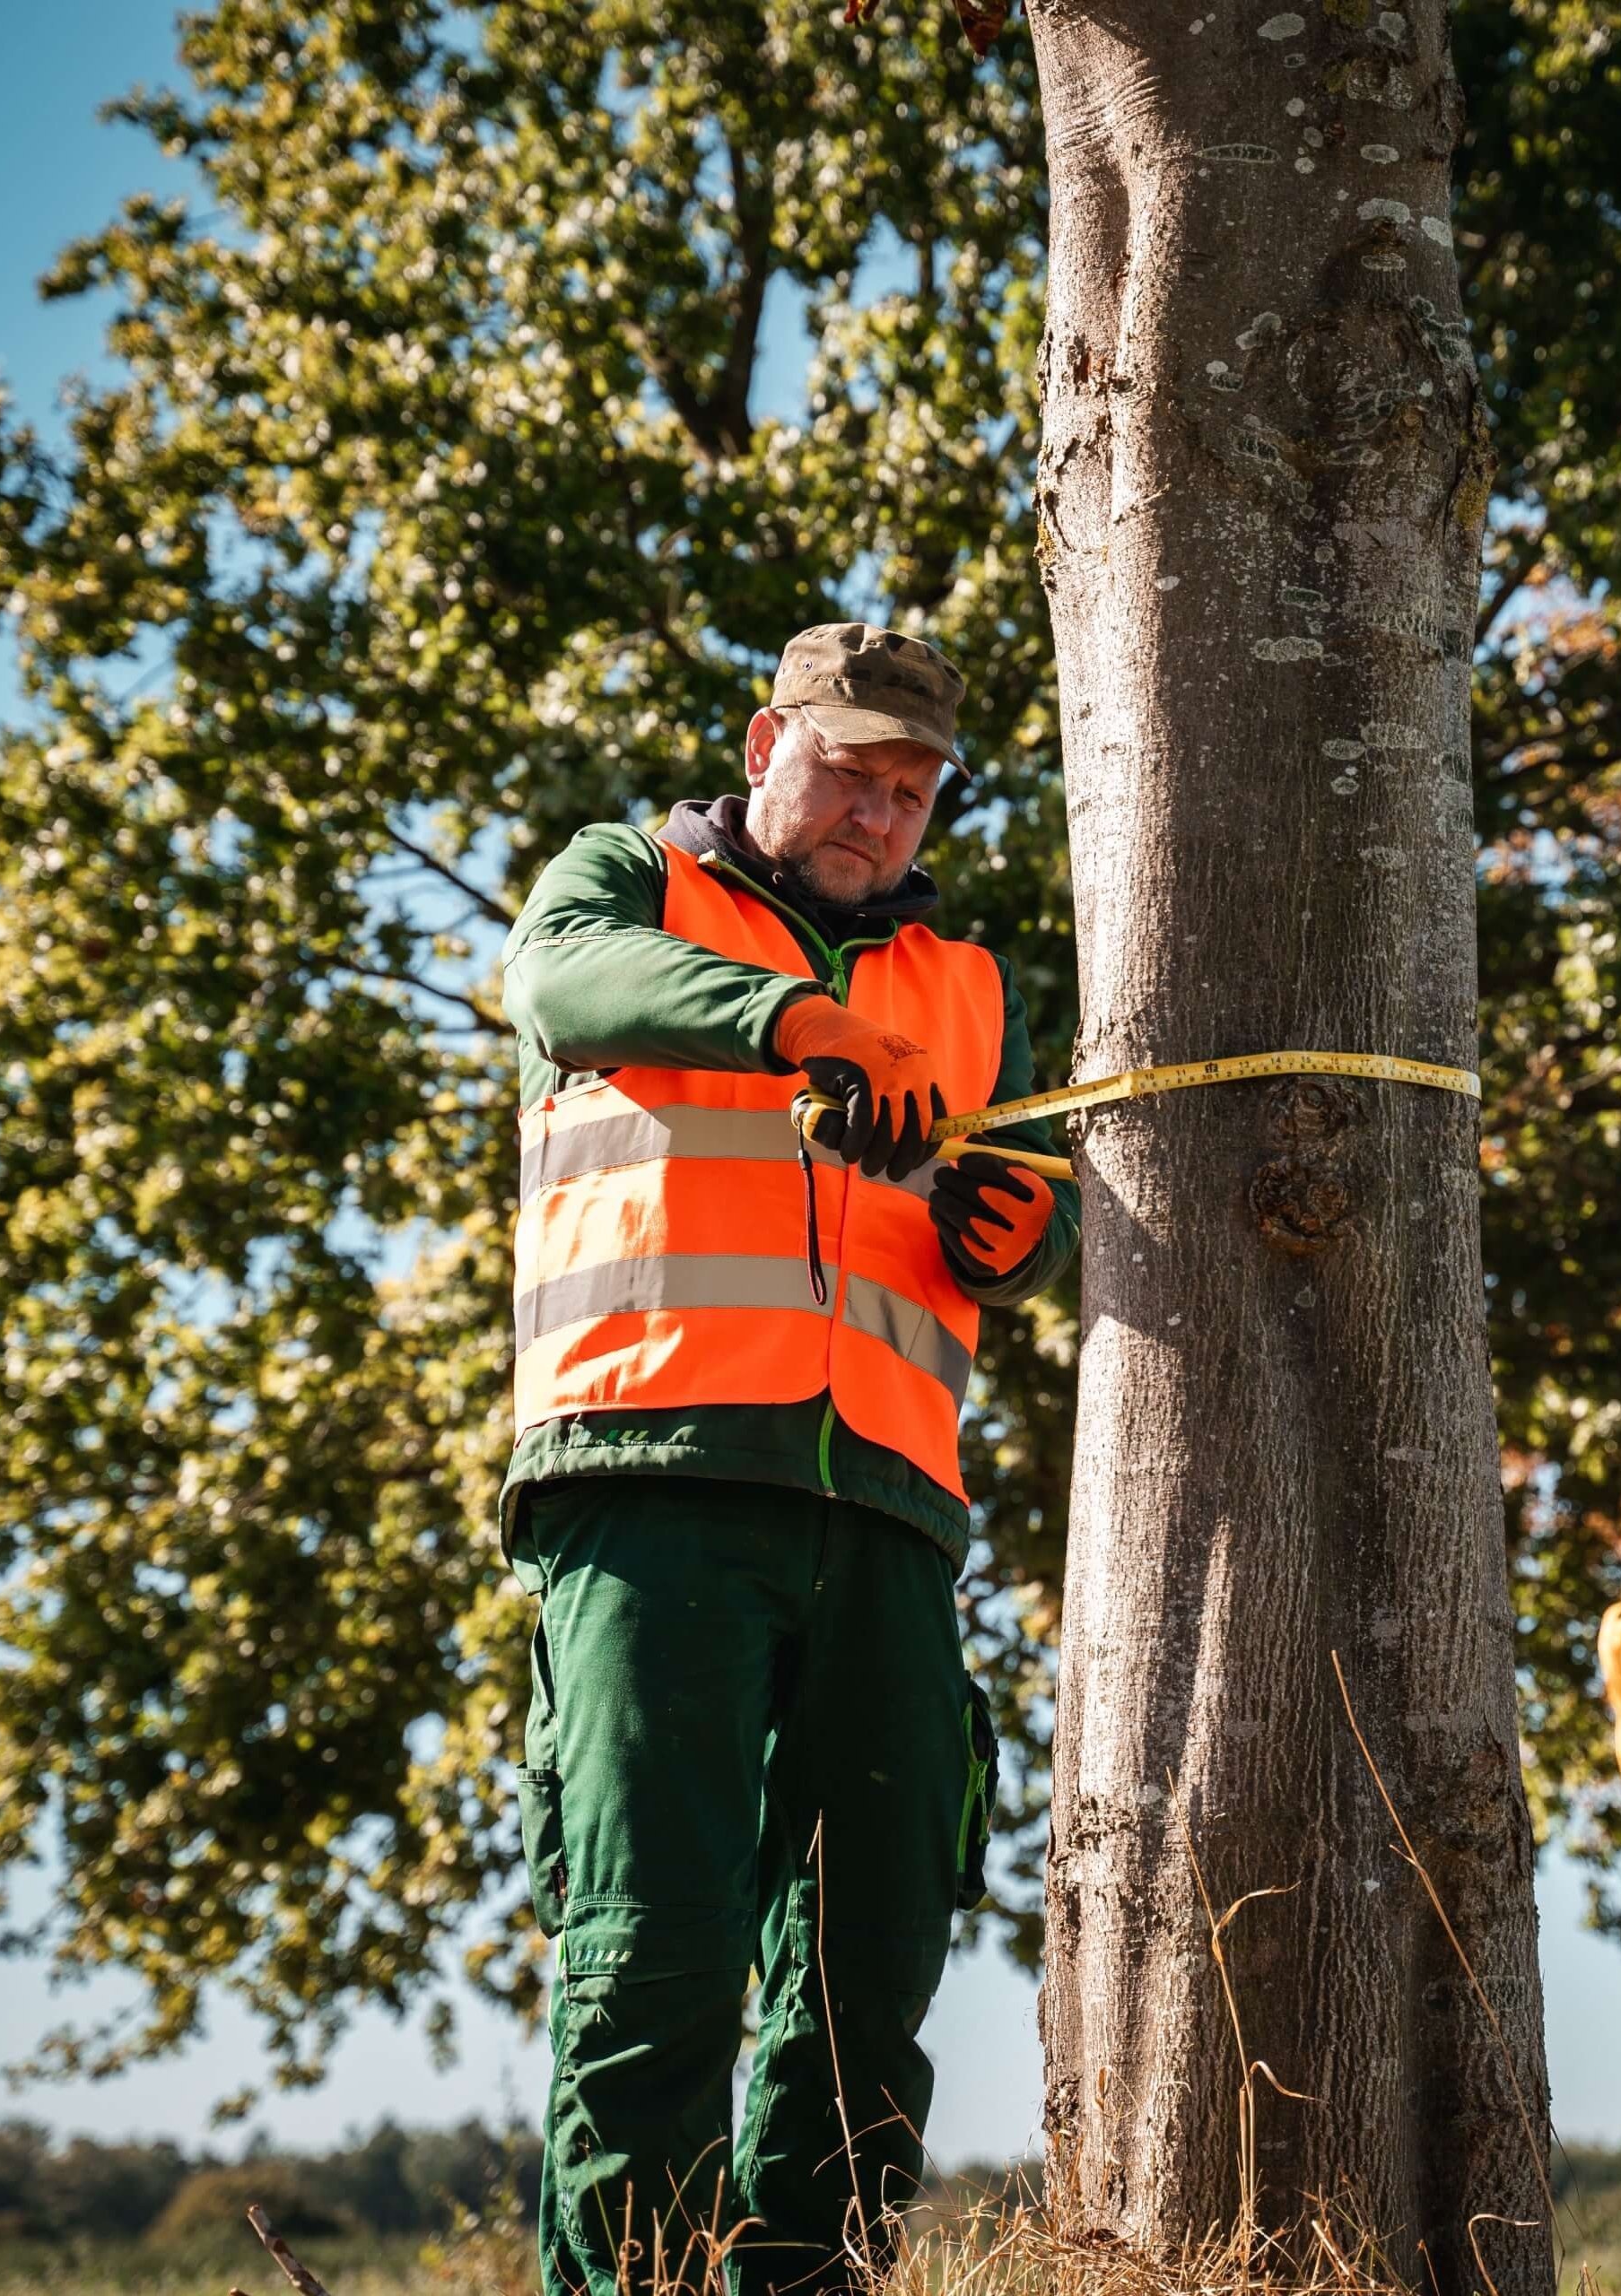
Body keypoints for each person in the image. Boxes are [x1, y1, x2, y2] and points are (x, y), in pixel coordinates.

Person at [498, 622, 1080, 2296]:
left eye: (911, 793)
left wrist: (1018, 1235)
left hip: (889, 1517)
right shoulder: (626, 881)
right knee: (653, 1956)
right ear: (767, 746)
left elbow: (1027, 1202)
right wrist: (794, 1020)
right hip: (649, 1481)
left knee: (863, 1981)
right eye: (847, 773)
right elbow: (558, 986)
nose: (875, 816)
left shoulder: (968, 990)